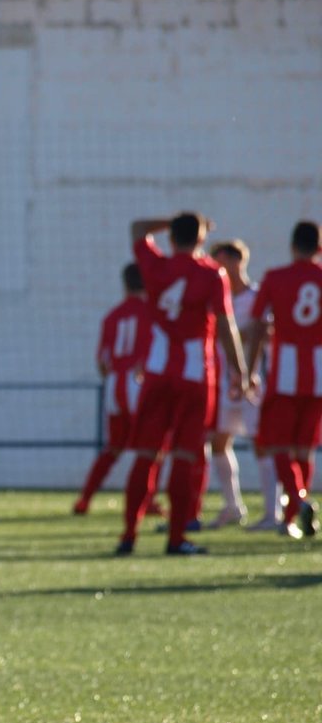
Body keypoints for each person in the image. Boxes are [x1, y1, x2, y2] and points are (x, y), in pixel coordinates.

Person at [117, 212, 249, 556]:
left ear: (172, 236)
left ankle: (128, 535)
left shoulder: (156, 265)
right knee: (184, 457)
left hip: (158, 370)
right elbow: (226, 326)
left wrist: (173, 221)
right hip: (195, 374)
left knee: (146, 455)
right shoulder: (211, 273)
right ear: (201, 238)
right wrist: (241, 371)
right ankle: (176, 538)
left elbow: (137, 227)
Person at [249, 220, 322, 538]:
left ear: (292, 246)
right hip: (318, 375)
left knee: (277, 445)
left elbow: (257, 325)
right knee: (304, 449)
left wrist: (249, 369)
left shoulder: (275, 277)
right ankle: (291, 517)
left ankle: (298, 504)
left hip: (285, 373)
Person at [204, 240, 280, 530]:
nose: (216, 267)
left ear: (237, 261)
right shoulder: (215, 297)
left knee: (263, 443)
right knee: (219, 441)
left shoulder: (257, 296)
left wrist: (250, 337)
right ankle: (233, 506)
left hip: (254, 382)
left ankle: (272, 512)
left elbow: (271, 331)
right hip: (223, 382)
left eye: (220, 260)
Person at [73, 263, 152, 515]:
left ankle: (84, 499)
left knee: (114, 447)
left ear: (125, 284)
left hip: (114, 384)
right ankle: (145, 502)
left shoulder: (112, 315)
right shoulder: (152, 312)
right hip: (139, 383)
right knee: (151, 448)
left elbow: (102, 362)